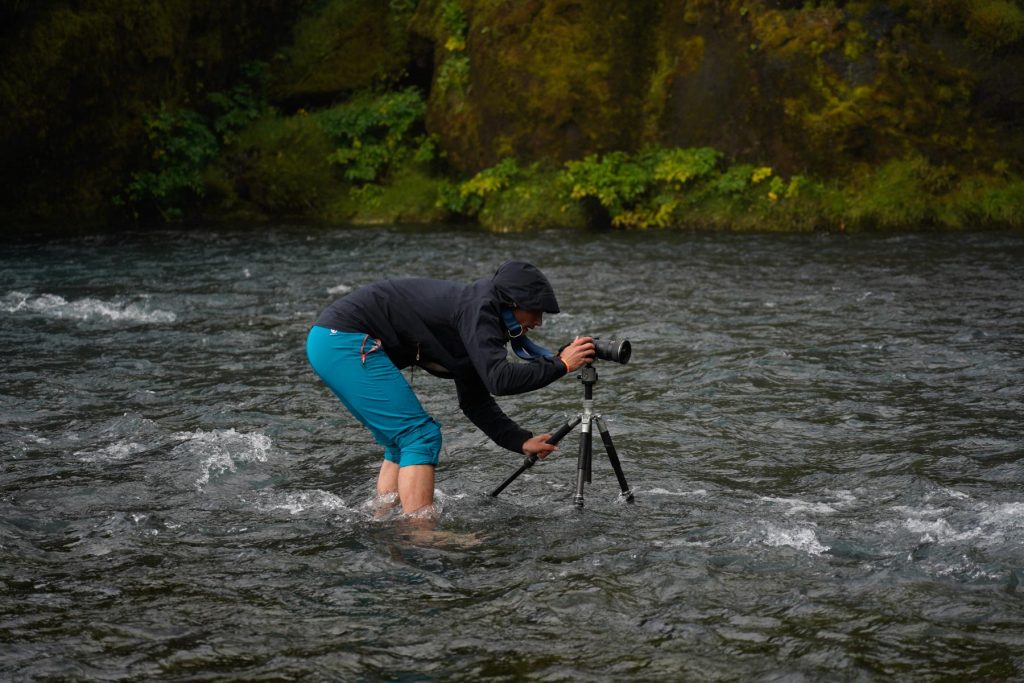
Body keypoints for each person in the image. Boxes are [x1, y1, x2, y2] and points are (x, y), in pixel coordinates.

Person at [306, 261, 595, 517]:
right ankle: (422, 534)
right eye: (534, 311)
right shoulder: (479, 311)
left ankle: (384, 516)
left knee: (400, 442)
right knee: (420, 436)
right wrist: (561, 365)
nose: (538, 322)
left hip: (329, 341)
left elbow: (475, 401)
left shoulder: (478, 317)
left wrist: (519, 440)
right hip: (344, 340)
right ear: (512, 303)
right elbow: (501, 380)